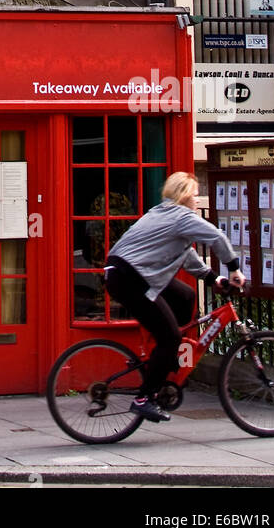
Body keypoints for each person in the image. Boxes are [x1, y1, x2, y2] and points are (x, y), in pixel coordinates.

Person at [105, 171, 246, 423]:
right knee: (170, 336)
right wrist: (234, 268)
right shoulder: (182, 216)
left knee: (186, 295)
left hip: (126, 272)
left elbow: (185, 253)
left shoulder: (160, 212)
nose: (197, 200)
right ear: (183, 196)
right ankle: (144, 398)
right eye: (194, 195)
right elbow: (216, 236)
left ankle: (164, 356)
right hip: (131, 278)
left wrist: (212, 278)